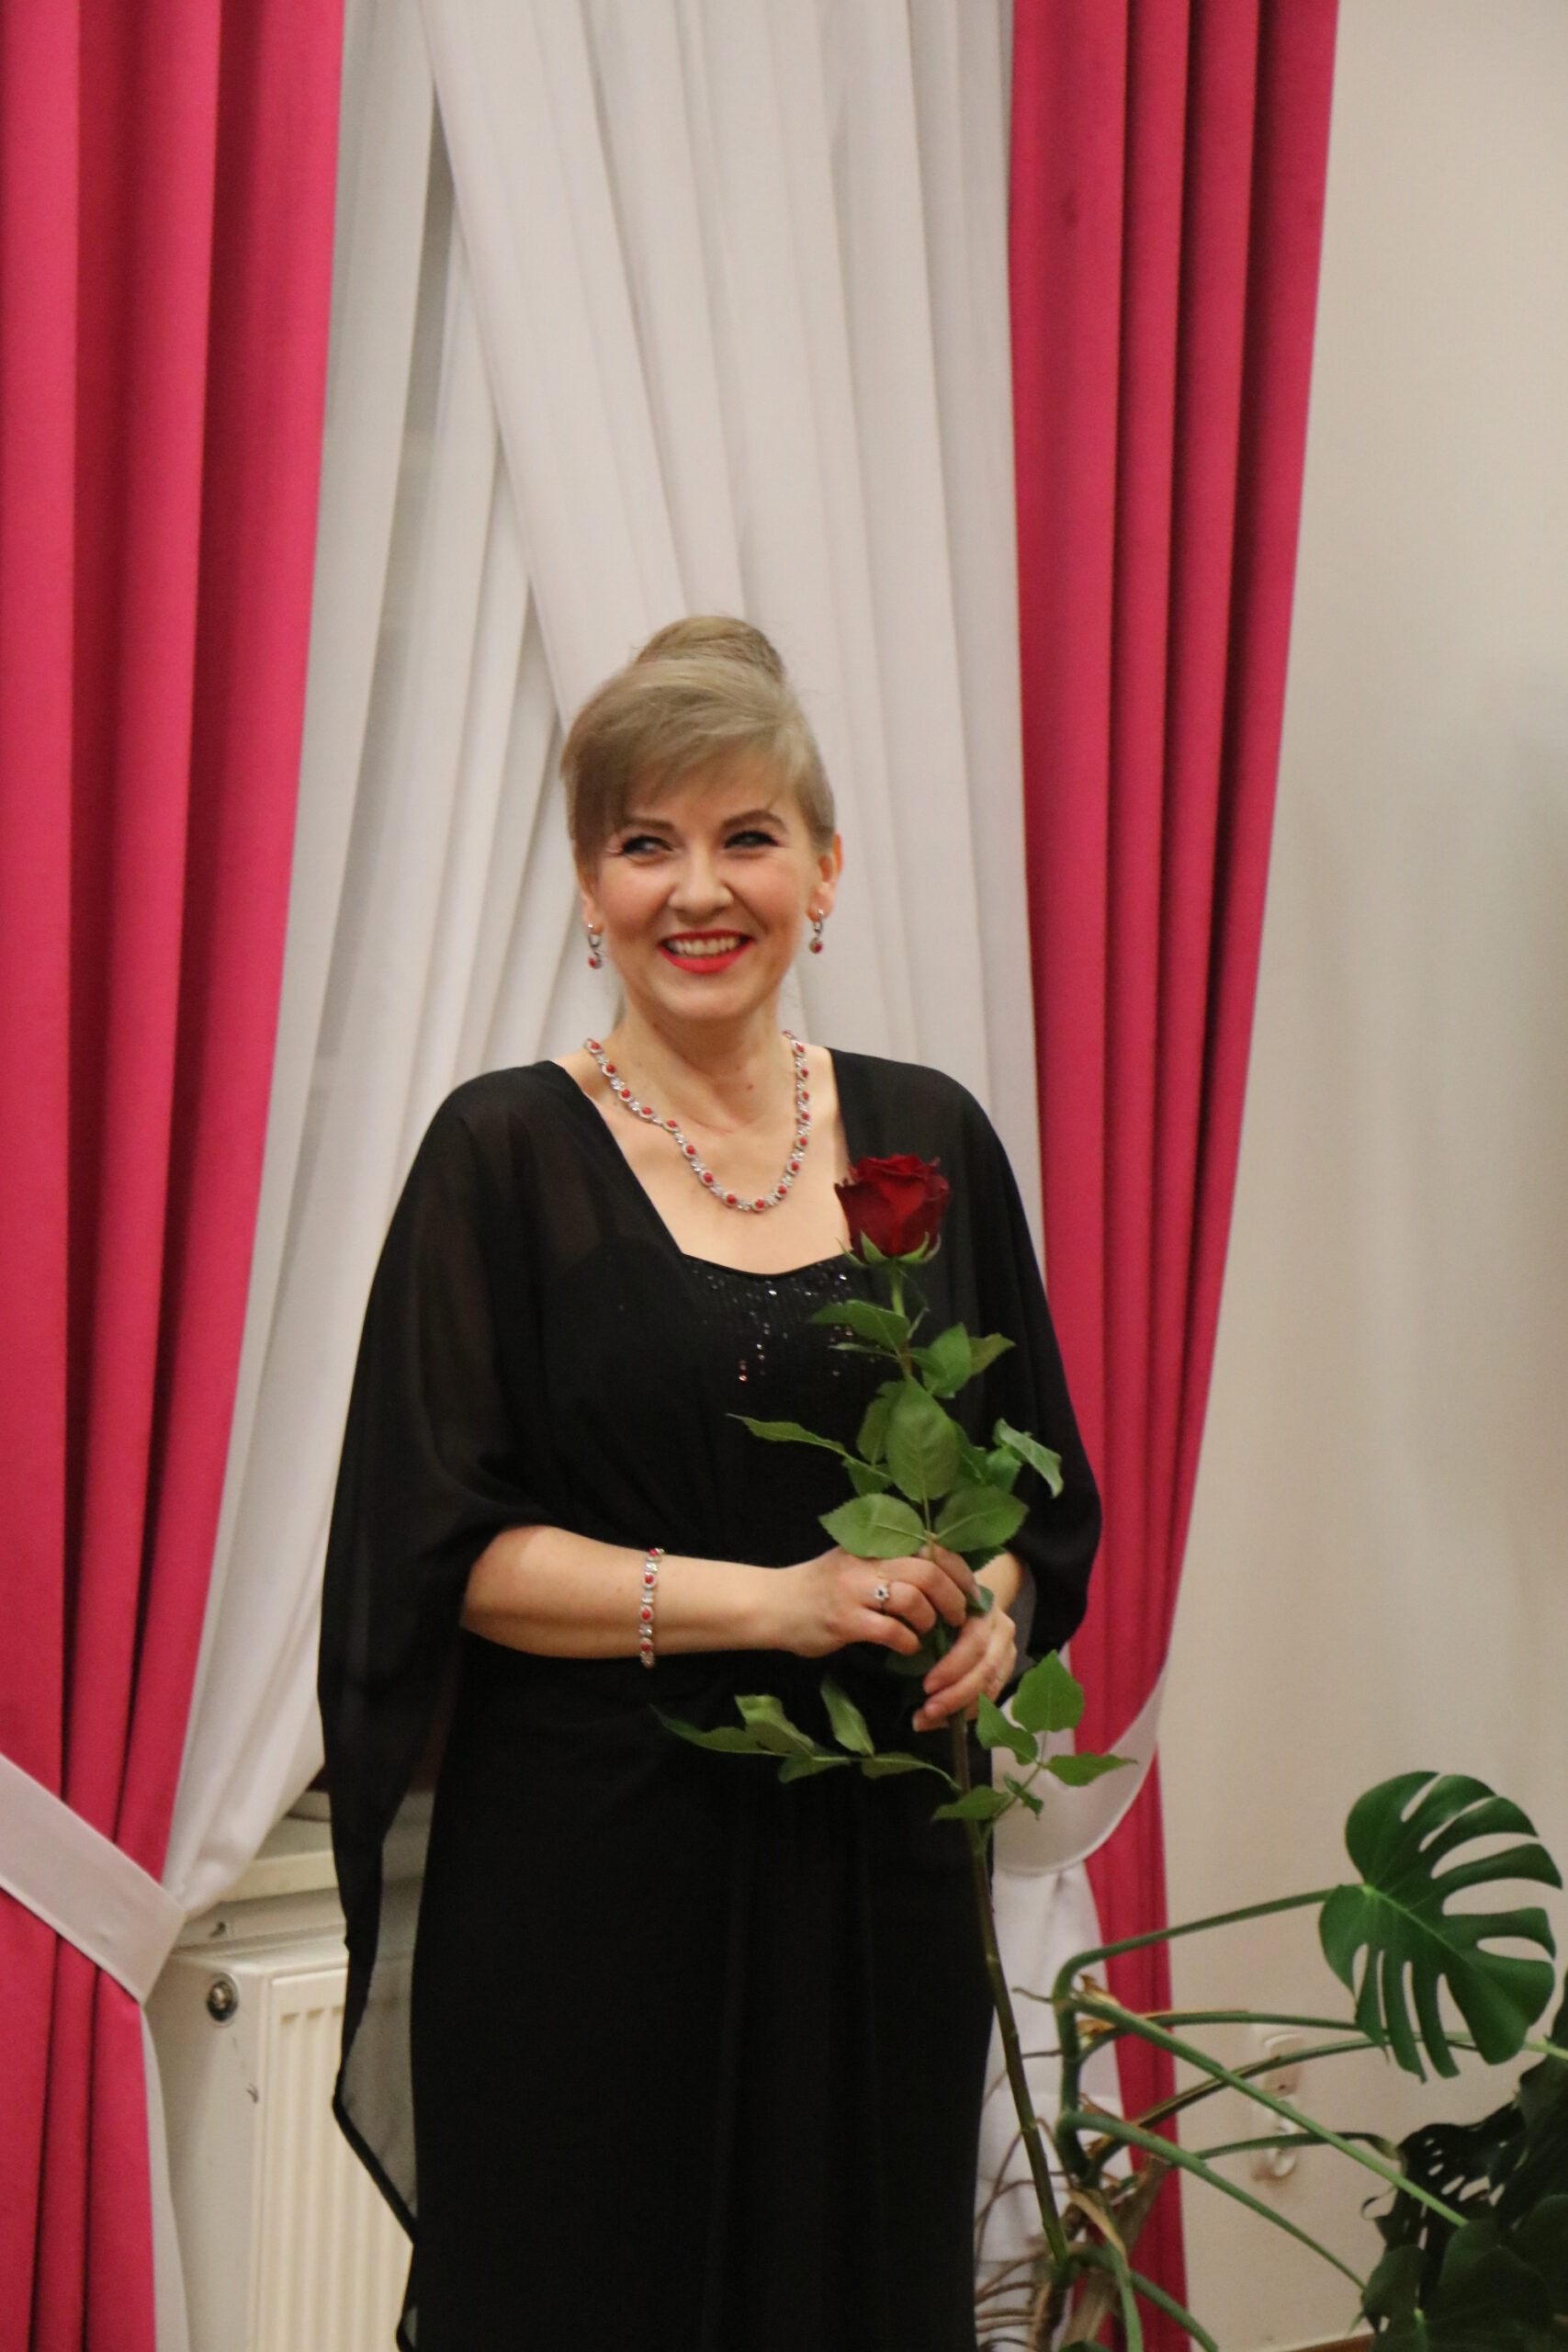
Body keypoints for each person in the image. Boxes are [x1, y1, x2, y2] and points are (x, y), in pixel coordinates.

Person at [318, 616, 1100, 2352]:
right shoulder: (500, 1154)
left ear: (824, 870)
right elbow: (436, 1547)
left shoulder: (930, 1139)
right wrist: (778, 1604)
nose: (697, 889)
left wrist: (994, 1614)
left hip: (877, 1880)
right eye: (643, 842)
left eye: (746, 836)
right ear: (587, 885)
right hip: (590, 1890)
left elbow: (1032, 1498)